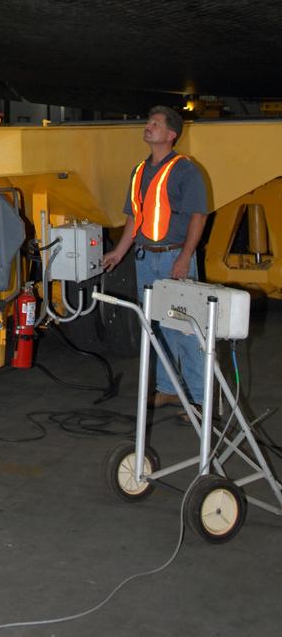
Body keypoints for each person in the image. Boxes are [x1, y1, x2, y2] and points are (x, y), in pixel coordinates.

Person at [101, 105, 208, 410]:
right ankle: (167, 389)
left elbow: (198, 216)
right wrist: (119, 252)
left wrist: (185, 258)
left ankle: (200, 400)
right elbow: (135, 218)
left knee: (186, 329)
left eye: (156, 124)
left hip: (173, 257)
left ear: (171, 135)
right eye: (149, 122)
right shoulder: (139, 171)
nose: (148, 126)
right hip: (145, 259)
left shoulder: (185, 170)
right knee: (157, 328)